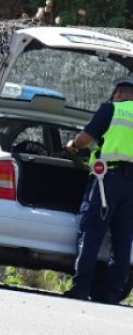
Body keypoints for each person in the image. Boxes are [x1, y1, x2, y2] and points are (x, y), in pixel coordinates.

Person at [63, 76, 133, 303]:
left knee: (91, 233)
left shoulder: (111, 109)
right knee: (123, 242)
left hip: (107, 181)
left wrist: (72, 145)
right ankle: (112, 294)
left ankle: (81, 288)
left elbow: (84, 139)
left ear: (120, 93)